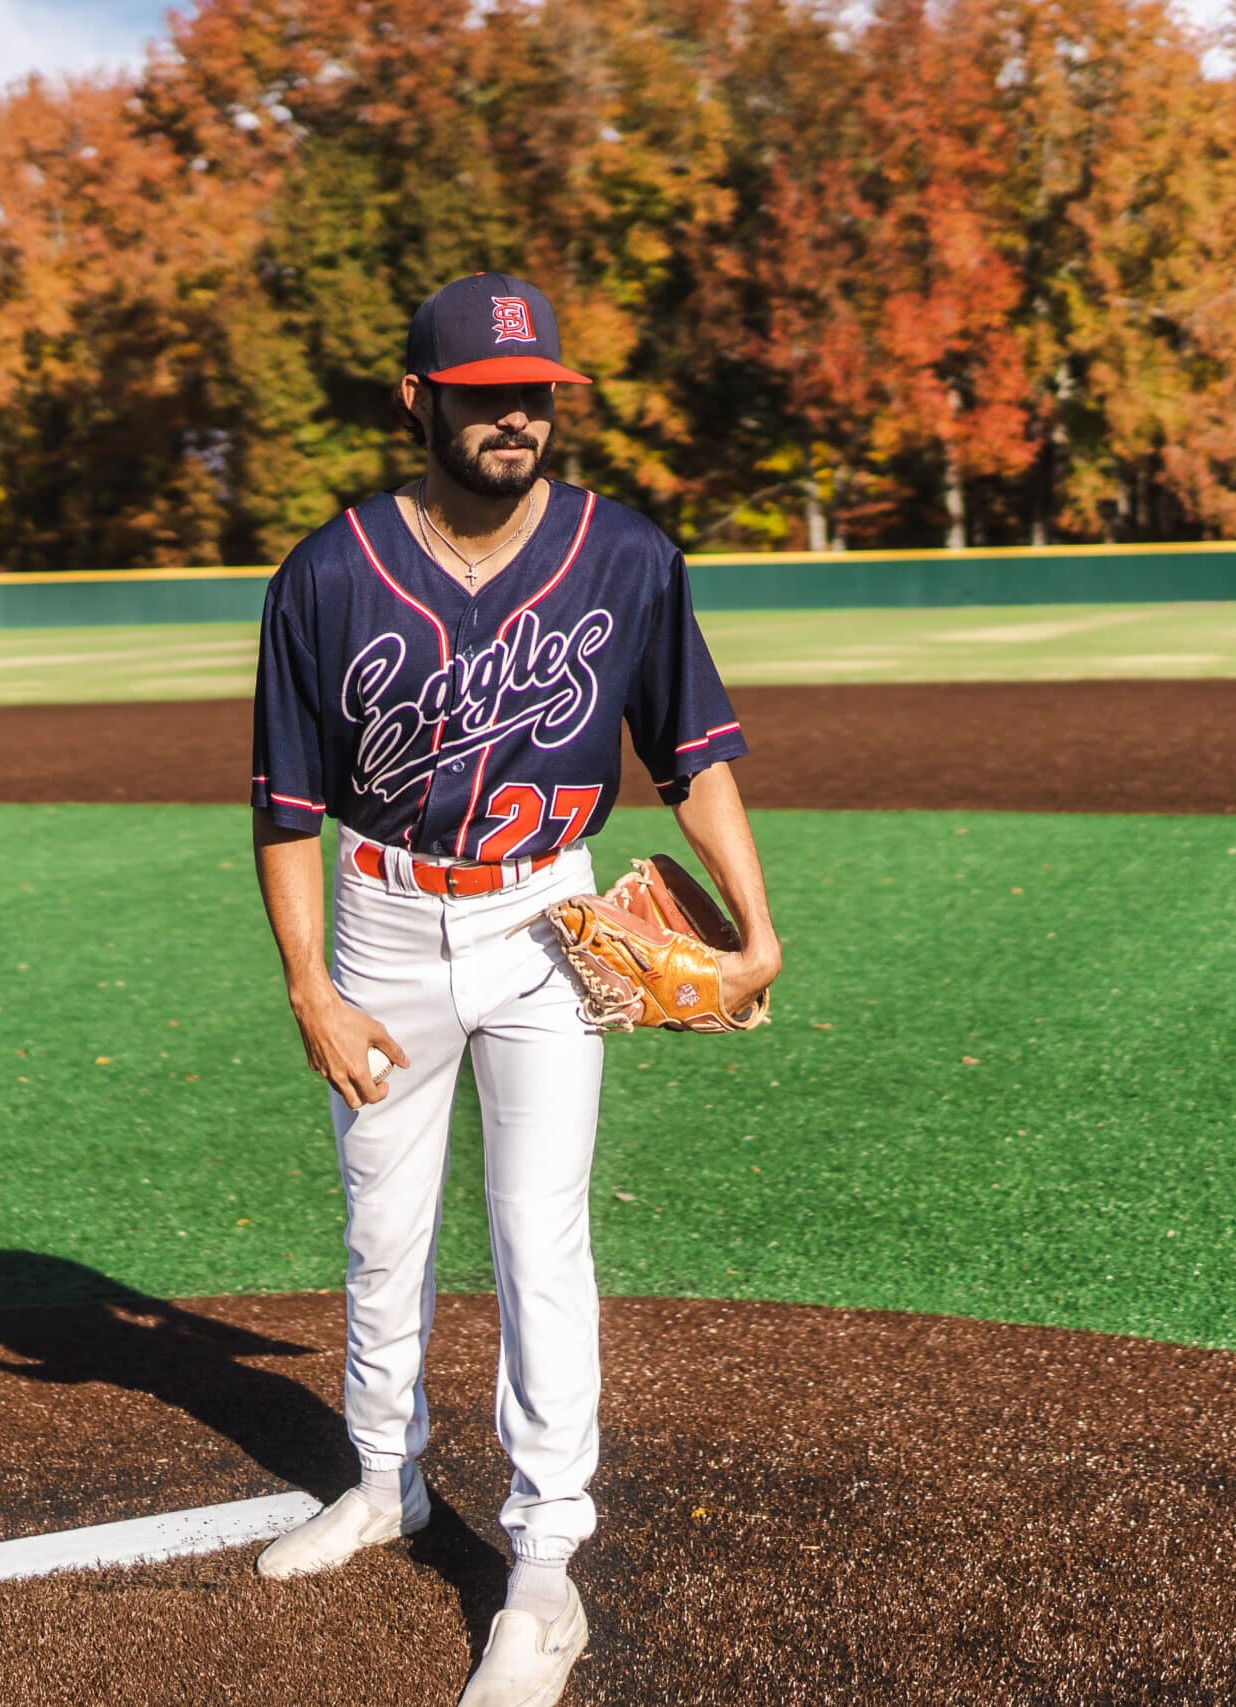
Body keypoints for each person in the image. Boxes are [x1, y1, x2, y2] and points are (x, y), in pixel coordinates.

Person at [245, 272, 782, 1707]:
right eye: (484, 396)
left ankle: (546, 1566)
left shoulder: (628, 557)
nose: (515, 417)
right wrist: (309, 988)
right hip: (380, 921)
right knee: (382, 1229)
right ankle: (385, 1480)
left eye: (534, 392)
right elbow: (286, 808)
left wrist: (757, 927)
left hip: (550, 918)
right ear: (418, 402)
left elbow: (694, 754)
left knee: (541, 1237)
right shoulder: (329, 573)